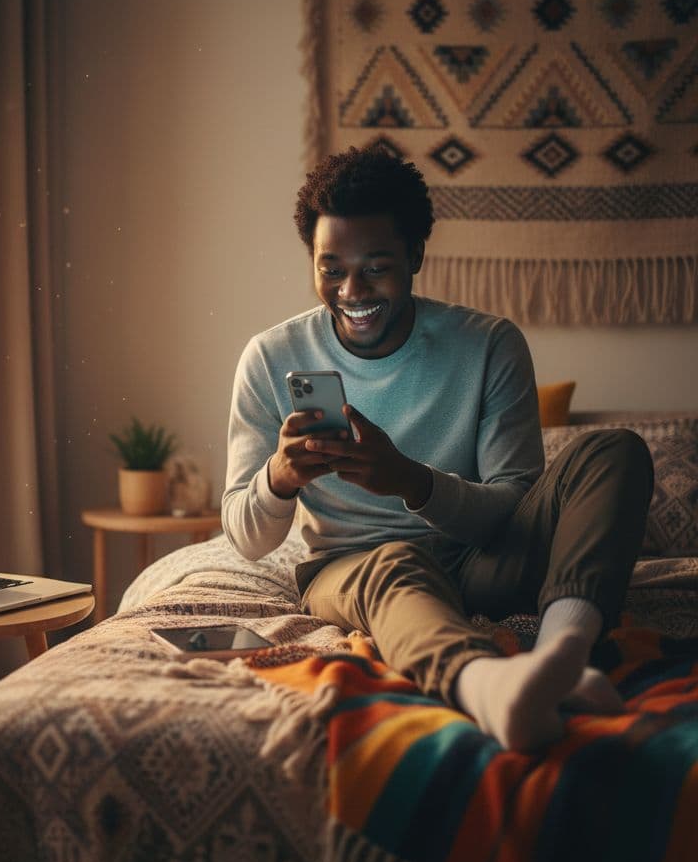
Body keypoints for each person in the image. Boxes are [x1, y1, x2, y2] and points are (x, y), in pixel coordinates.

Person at [221, 147, 654, 752]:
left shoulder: (489, 344)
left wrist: (409, 481)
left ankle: (564, 659)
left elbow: (512, 507)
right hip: (353, 567)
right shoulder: (270, 357)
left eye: (375, 267)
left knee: (614, 450)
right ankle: (487, 686)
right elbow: (246, 537)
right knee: (396, 560)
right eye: (331, 268)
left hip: (481, 558)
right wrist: (279, 478)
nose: (351, 291)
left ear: (416, 256)